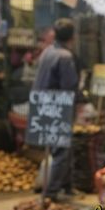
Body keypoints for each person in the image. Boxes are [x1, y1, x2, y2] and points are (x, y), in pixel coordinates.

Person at [32, 18, 79, 200]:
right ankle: (51, 193)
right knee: (61, 151)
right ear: (72, 37)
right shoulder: (65, 57)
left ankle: (66, 187)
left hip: (42, 106)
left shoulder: (47, 52)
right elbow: (70, 86)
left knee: (60, 148)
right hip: (59, 107)